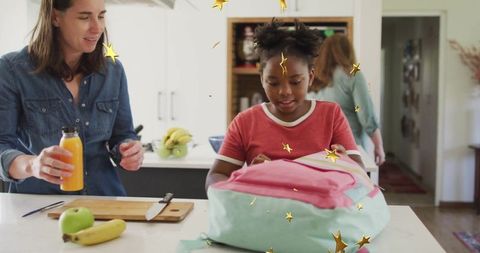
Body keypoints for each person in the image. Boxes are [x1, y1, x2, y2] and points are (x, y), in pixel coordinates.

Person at [0, 0, 144, 196]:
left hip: (104, 200)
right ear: (55, 17)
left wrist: (128, 151)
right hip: (39, 206)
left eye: (101, 16)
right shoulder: (12, 70)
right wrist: (32, 165)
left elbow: (122, 135)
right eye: (84, 17)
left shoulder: (112, 70)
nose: (97, 27)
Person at [206, 20, 363, 189]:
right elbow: (216, 175)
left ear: (310, 77)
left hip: (318, 214)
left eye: (295, 82)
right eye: (273, 83)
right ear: (262, 79)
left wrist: (343, 166)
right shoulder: (245, 122)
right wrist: (248, 178)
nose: (285, 91)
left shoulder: (331, 115)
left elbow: (360, 176)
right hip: (264, 212)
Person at [308, 34, 386, 165]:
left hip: (318, 152)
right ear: (348, 52)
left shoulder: (313, 78)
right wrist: (379, 146)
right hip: (349, 150)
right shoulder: (353, 74)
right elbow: (366, 115)